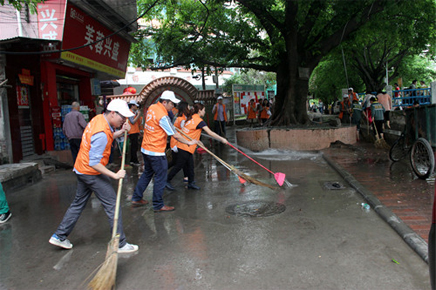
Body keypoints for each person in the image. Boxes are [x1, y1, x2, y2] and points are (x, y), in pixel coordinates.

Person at [49, 99, 139, 253]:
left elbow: (110, 135)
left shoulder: (99, 120)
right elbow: (94, 162)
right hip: (91, 171)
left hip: (82, 169)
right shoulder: (102, 132)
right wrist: (115, 175)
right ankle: (121, 243)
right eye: (121, 117)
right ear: (112, 113)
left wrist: (122, 131)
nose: (123, 120)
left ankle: (59, 236)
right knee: (113, 205)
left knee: (78, 204)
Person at [131, 91, 198, 212]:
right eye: (172, 104)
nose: (173, 106)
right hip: (156, 150)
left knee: (147, 173)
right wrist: (189, 142)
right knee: (160, 177)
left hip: (146, 148)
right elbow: (175, 135)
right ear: (165, 102)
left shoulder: (152, 107)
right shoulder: (162, 115)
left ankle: (136, 197)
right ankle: (158, 204)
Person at [166, 103, 228, 190]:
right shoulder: (199, 121)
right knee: (179, 165)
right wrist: (222, 139)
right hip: (185, 146)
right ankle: (167, 180)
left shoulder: (191, 118)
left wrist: (198, 141)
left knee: (190, 166)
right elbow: (210, 133)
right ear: (200, 111)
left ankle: (191, 183)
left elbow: (190, 132)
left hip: (185, 145)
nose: (205, 112)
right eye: (204, 110)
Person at [168, 101, 189, 186]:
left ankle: (186, 176)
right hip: (178, 143)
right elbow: (185, 132)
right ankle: (166, 178)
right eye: (188, 107)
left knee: (177, 161)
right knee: (180, 162)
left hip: (175, 142)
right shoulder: (182, 119)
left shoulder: (177, 117)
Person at [127, 100, 142, 166]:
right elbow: (132, 121)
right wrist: (138, 115)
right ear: (132, 105)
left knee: (135, 147)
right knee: (134, 147)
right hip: (132, 132)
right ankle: (134, 160)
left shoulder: (132, 113)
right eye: (136, 106)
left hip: (135, 131)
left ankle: (133, 160)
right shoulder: (130, 113)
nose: (136, 107)